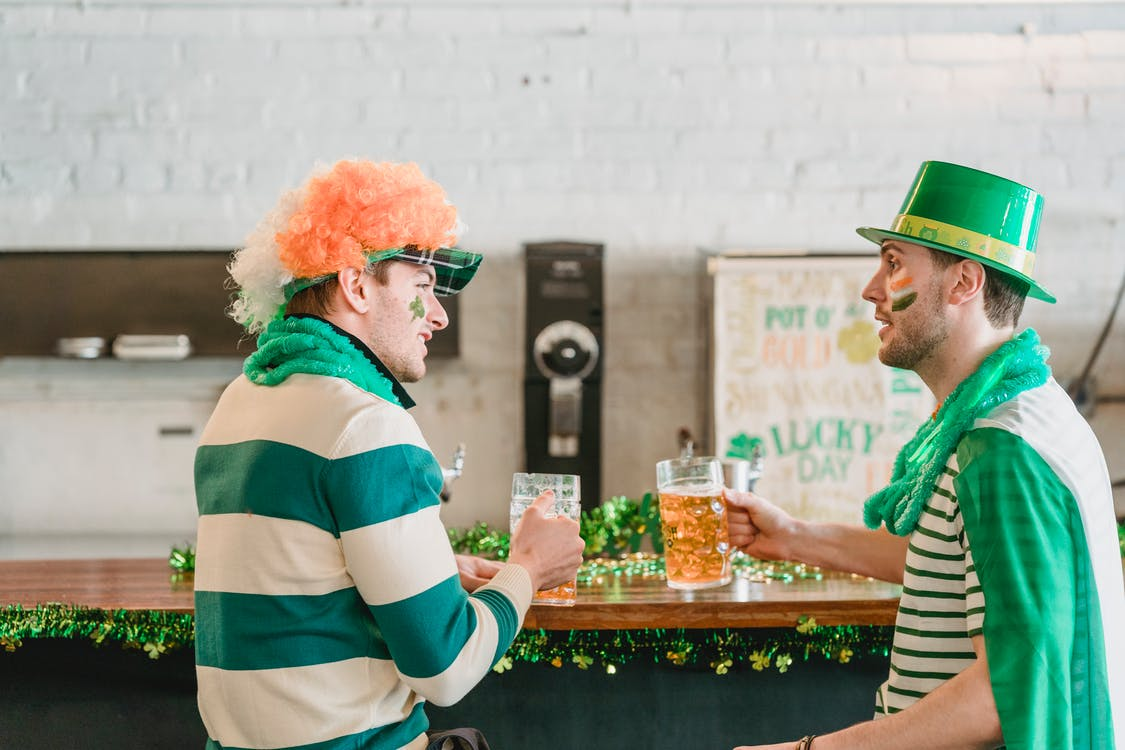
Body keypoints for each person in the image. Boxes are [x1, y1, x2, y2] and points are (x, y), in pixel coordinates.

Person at [726, 161, 1124, 750]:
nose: (871, 290)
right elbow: (952, 558)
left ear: (963, 283)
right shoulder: (999, 413)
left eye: (893, 264)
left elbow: (1001, 696)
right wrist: (792, 537)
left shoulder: (1005, 449)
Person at [192, 159, 585, 750]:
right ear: (356, 284)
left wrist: (423, 569)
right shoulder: (367, 424)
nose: (439, 313)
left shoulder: (241, 400)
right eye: (421, 286)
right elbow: (446, 670)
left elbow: (298, 575)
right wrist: (527, 569)